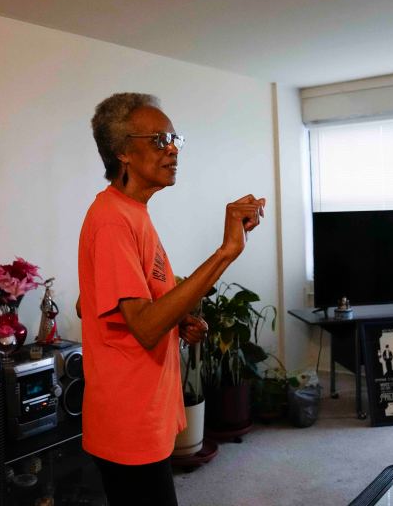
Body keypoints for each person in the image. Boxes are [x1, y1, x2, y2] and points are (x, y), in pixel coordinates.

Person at [77, 93, 265, 506]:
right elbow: (143, 326)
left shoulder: (132, 212)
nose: (174, 149)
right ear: (123, 151)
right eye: (160, 139)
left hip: (146, 407)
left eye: (175, 138)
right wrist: (226, 251)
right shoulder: (111, 220)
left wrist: (177, 320)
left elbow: (86, 302)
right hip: (129, 418)